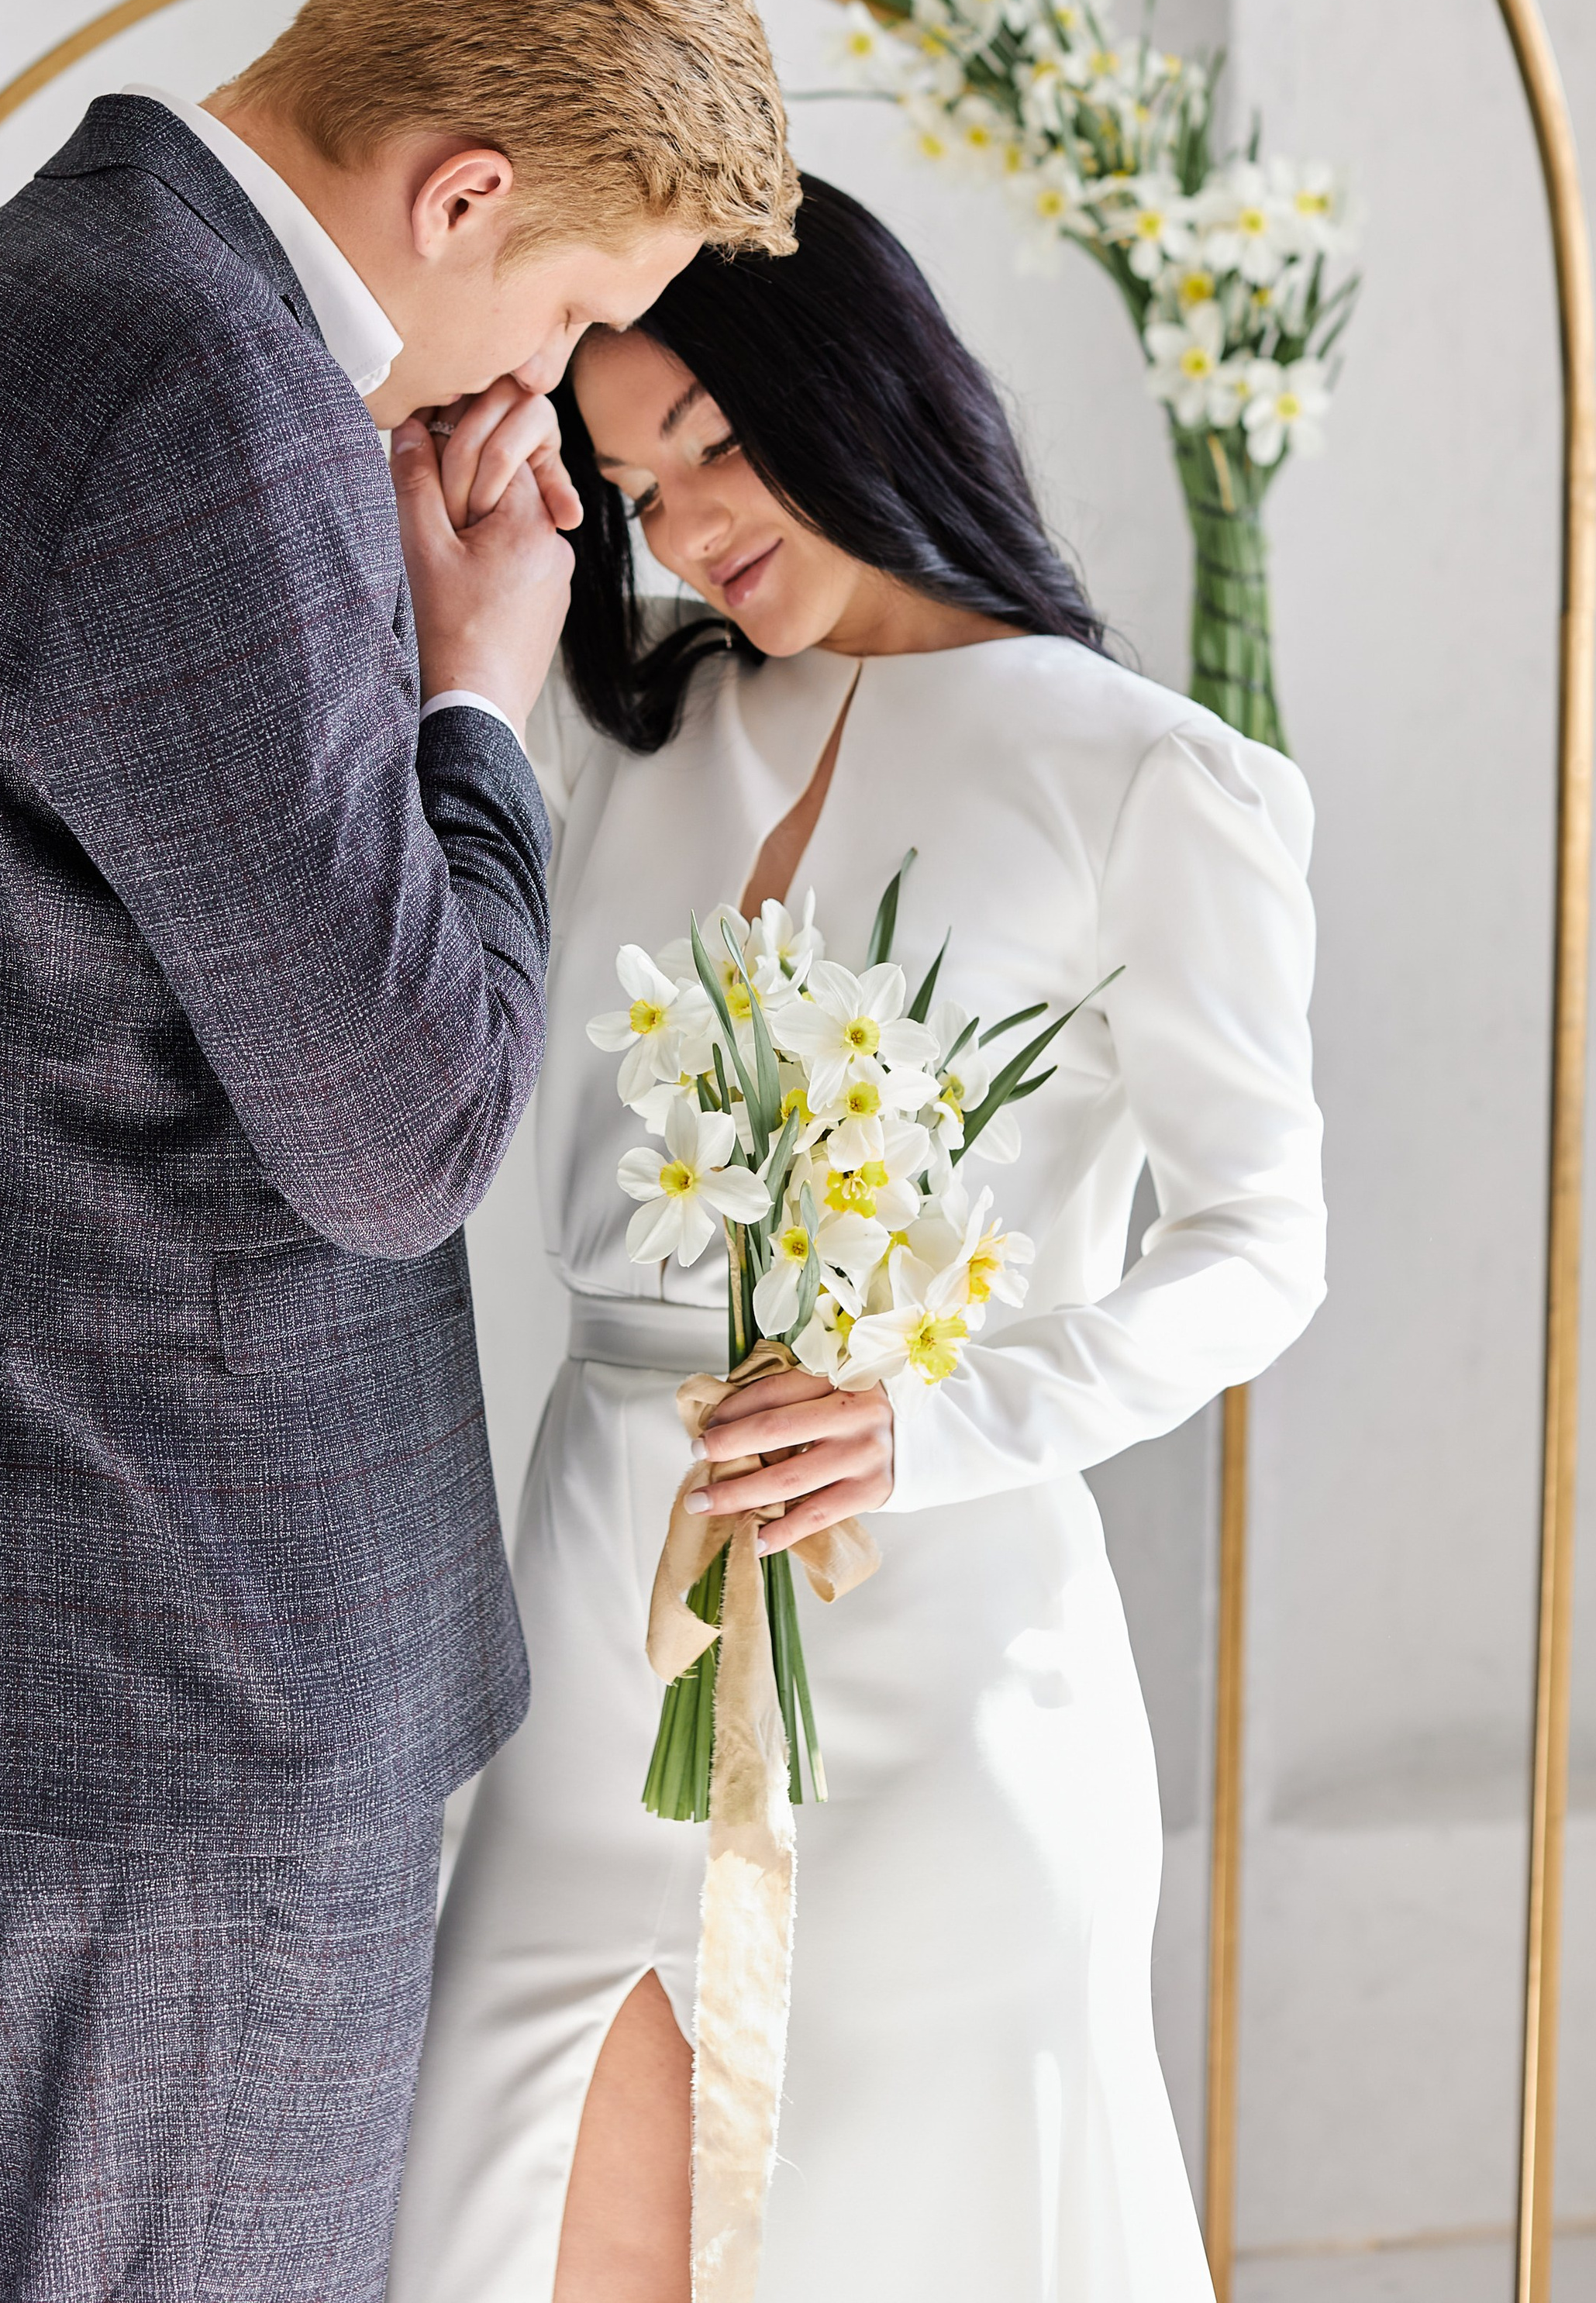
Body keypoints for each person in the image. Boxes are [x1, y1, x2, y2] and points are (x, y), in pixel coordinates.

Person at [0, 0, 798, 2303]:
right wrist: (473, 683)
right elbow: (408, 1138)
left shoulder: (19, 286)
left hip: (28, 1564)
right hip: (180, 1658)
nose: (553, 370)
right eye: (578, 304)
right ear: (462, 196)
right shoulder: (205, 402)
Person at [390, 173, 1327, 2303]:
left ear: (865, 384)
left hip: (936, 1644)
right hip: (600, 1623)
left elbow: (1263, 1243)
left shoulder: (1146, 783)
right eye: (637, 480)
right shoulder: (620, 728)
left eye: (715, 438)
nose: (691, 520)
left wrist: (935, 1415)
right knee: (527, 2232)